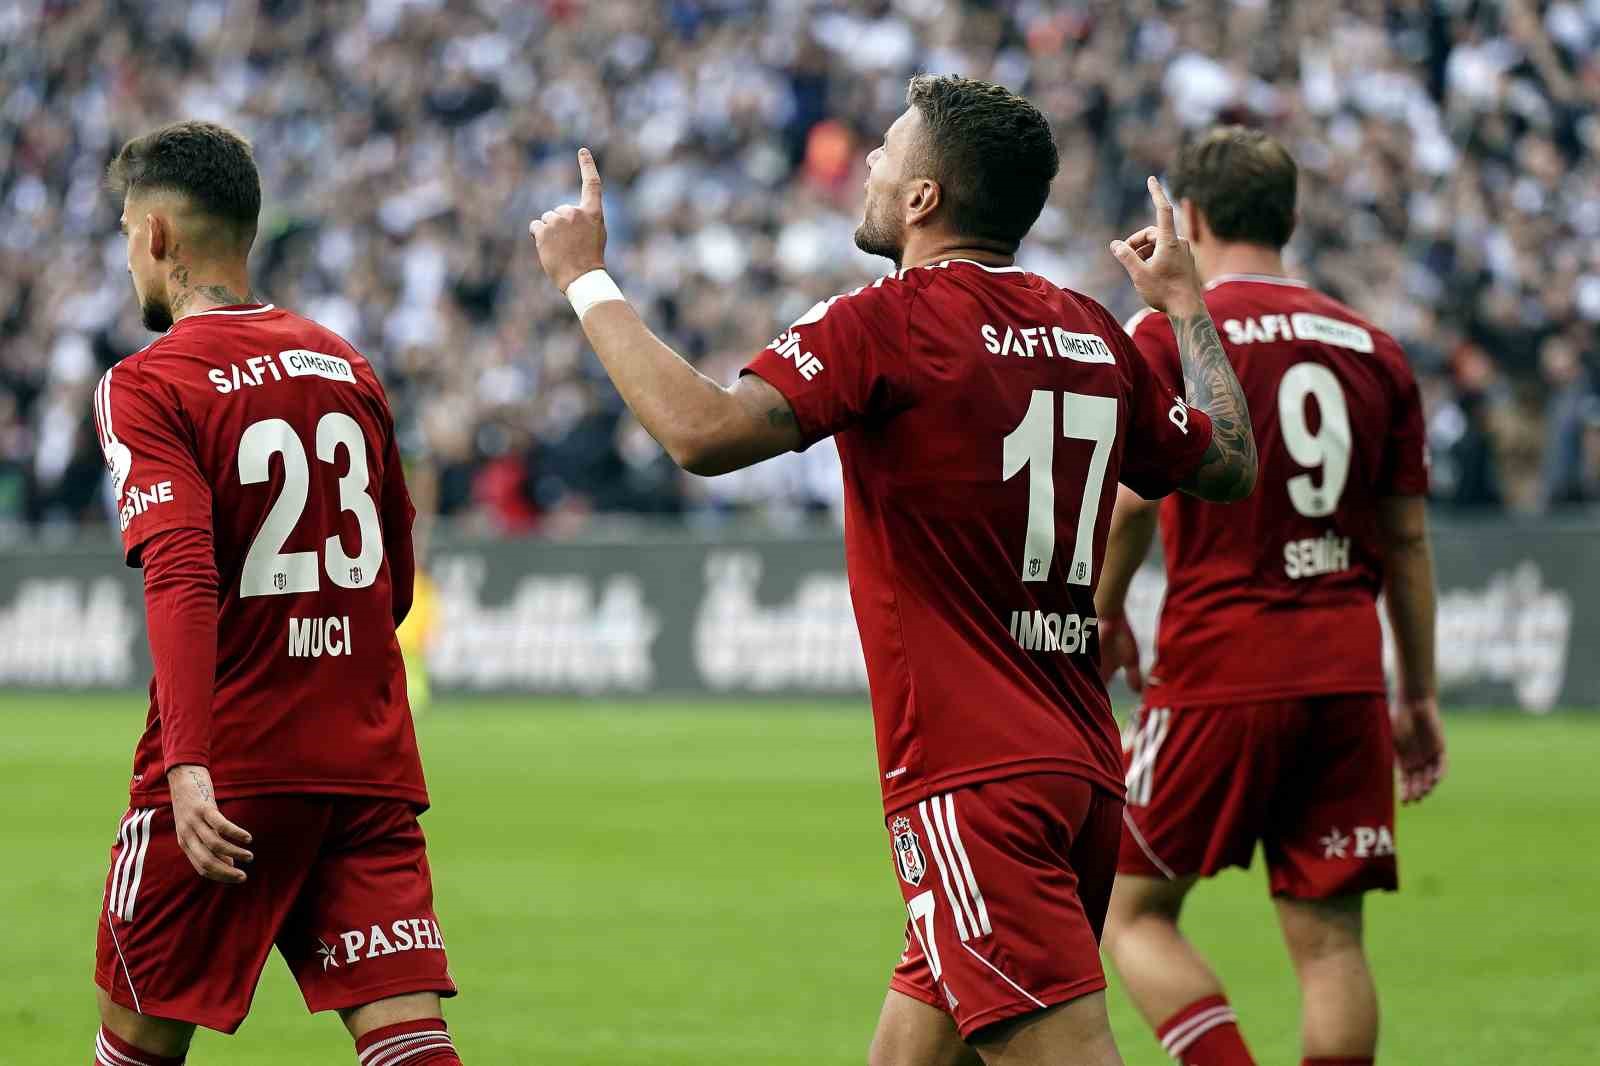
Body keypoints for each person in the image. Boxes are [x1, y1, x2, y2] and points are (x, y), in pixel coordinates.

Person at [529, 75, 1257, 1066]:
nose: (867, 163)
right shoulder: (1091, 330)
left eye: (885, 149)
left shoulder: (886, 320)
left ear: (923, 198)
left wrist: (586, 280)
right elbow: (1229, 461)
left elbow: (702, 432)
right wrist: (1184, 306)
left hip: (973, 783)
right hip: (1080, 773)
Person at [89, 121, 462, 1066]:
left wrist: (187, 762)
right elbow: (393, 580)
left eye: (127, 232)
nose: (128, 255)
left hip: (232, 769)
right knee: (409, 1041)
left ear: (158, 235)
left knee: (138, 1042)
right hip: (364, 763)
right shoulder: (344, 364)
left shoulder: (148, 383)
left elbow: (182, 572)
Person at [1094, 127, 1447, 1066]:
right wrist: (1417, 693)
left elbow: (1133, 503)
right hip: (1346, 672)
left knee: (1129, 911)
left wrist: (1106, 612)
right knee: (1331, 945)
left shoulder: (1173, 331)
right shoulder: (1374, 348)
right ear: (1289, 218)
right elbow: (1408, 543)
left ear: (1192, 217)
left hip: (1221, 664)